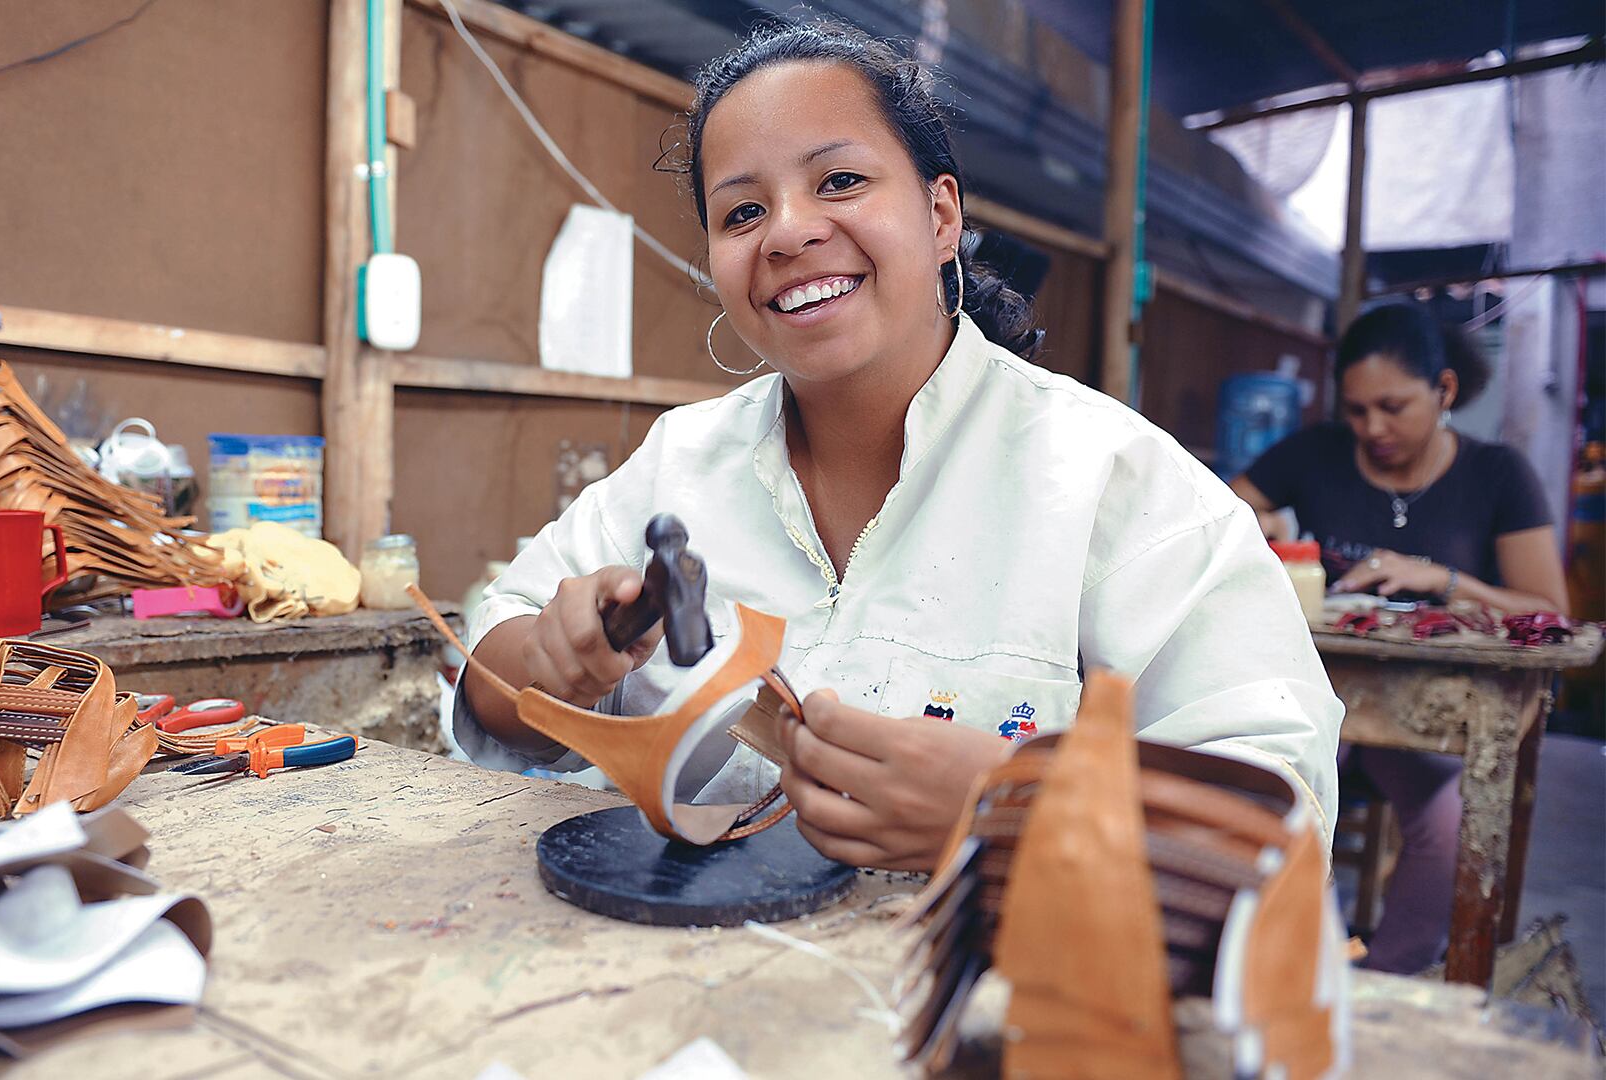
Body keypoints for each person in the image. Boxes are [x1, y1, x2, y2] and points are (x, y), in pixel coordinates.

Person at [454, 22, 1342, 873]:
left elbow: (1282, 812)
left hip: (972, 1012)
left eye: (839, 181)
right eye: (743, 211)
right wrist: (546, 662)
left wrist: (1023, 806)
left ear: (941, 213)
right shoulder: (677, 465)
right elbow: (488, 671)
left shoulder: (1113, 481)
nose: (789, 232)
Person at [1233, 300, 1569, 973]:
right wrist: (1254, 525)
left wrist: (1444, 580)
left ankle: (1386, 979)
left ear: (1444, 391)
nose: (1372, 428)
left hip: (1426, 708)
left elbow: (1549, 613)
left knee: (1448, 822)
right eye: (1356, 411)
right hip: (1317, 691)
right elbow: (1226, 507)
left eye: (1392, 407)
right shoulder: (1319, 453)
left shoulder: (1497, 475)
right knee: (1257, 788)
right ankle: (1305, 970)